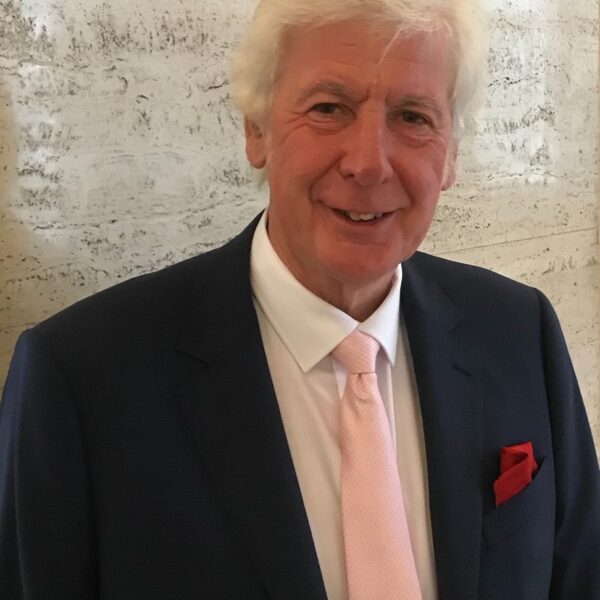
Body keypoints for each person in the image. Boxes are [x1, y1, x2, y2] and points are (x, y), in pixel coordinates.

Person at [1, 0, 598, 598]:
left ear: (452, 155)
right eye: (329, 108)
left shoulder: (519, 332)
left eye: (413, 116)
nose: (369, 162)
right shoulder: (82, 379)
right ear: (256, 130)